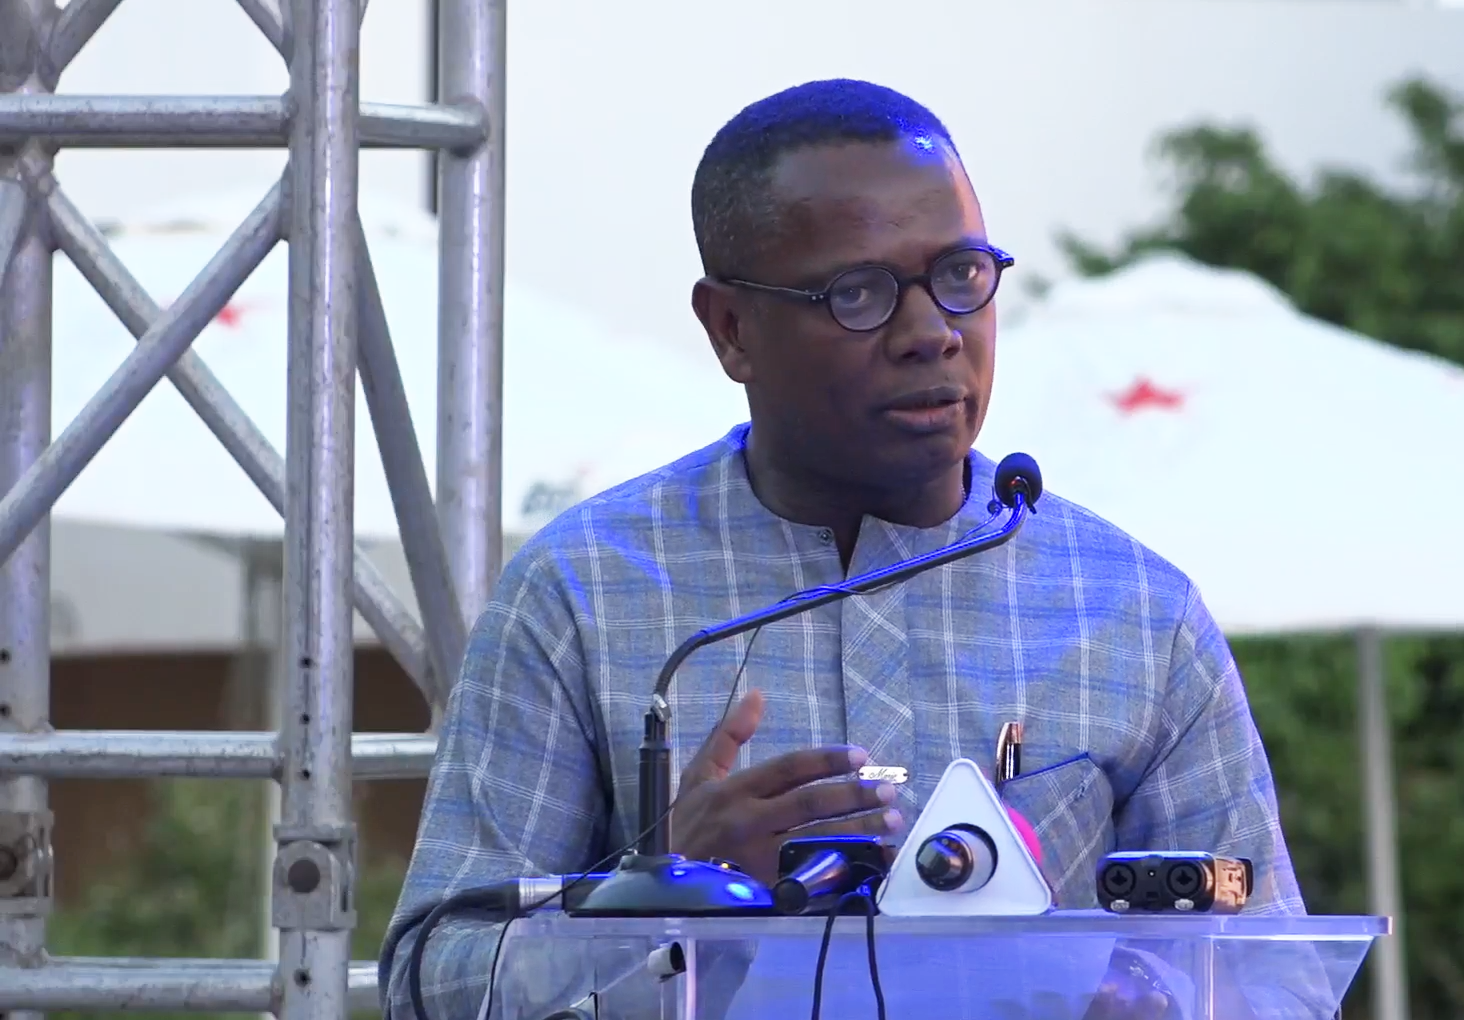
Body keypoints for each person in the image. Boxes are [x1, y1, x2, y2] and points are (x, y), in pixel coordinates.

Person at [381, 78, 1308, 1020]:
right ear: (731, 329)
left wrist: (1145, 998)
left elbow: (1280, 980)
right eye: (857, 293)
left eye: (961, 274)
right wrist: (663, 902)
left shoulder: (1134, 611)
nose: (932, 334)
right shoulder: (584, 591)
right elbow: (434, 977)